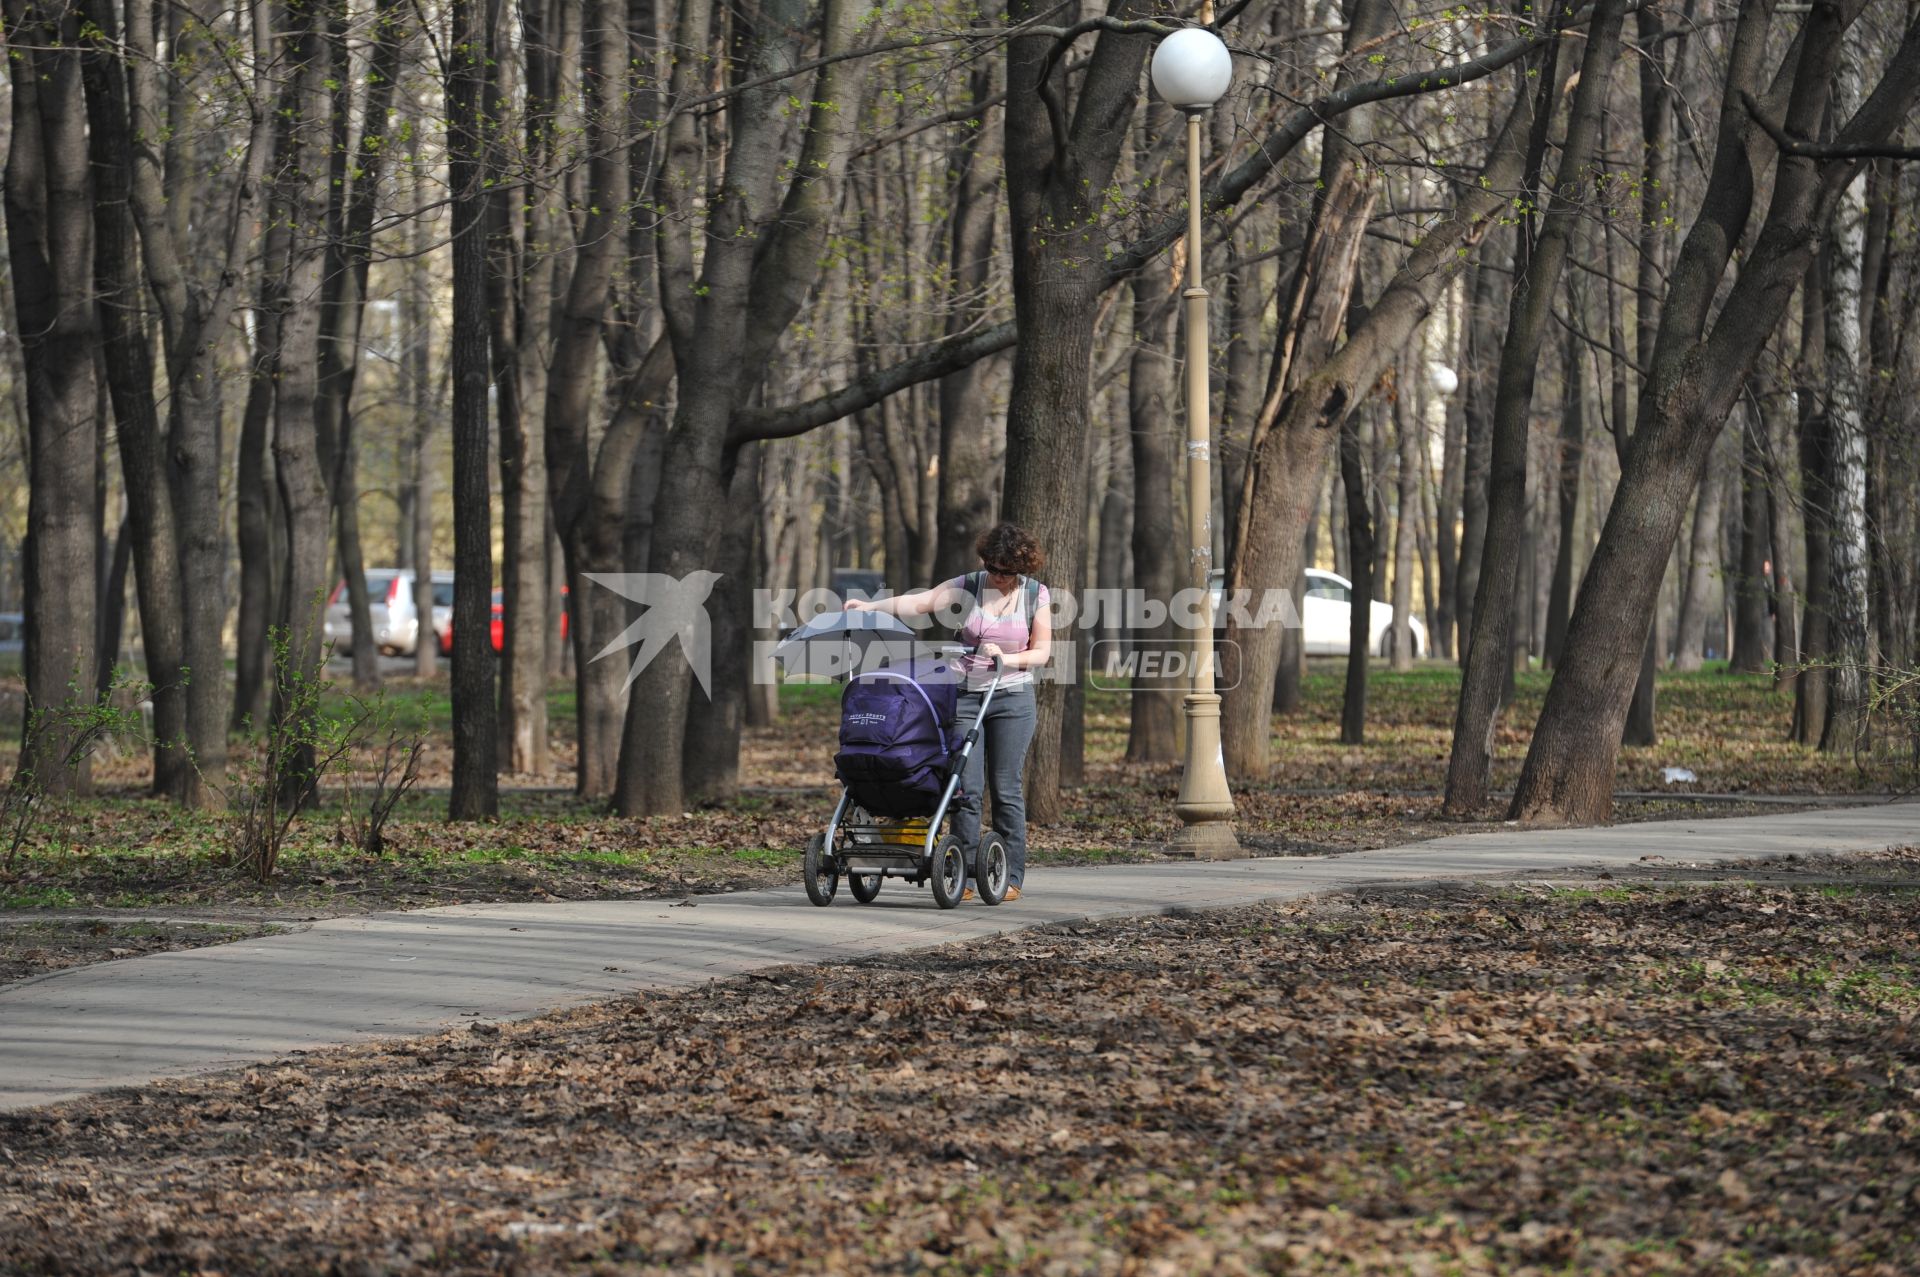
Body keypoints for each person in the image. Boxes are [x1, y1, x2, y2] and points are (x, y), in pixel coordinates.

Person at [844, 523, 1051, 901]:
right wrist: (870, 607)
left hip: (1012, 697)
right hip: (966, 694)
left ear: (1022, 569)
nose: (1000, 577)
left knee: (1006, 788)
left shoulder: (1036, 595)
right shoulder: (970, 584)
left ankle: (1012, 875)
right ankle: (966, 876)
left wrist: (1008, 657)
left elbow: (1041, 652)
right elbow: (919, 603)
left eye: (1008, 571)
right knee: (965, 788)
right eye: (994, 568)